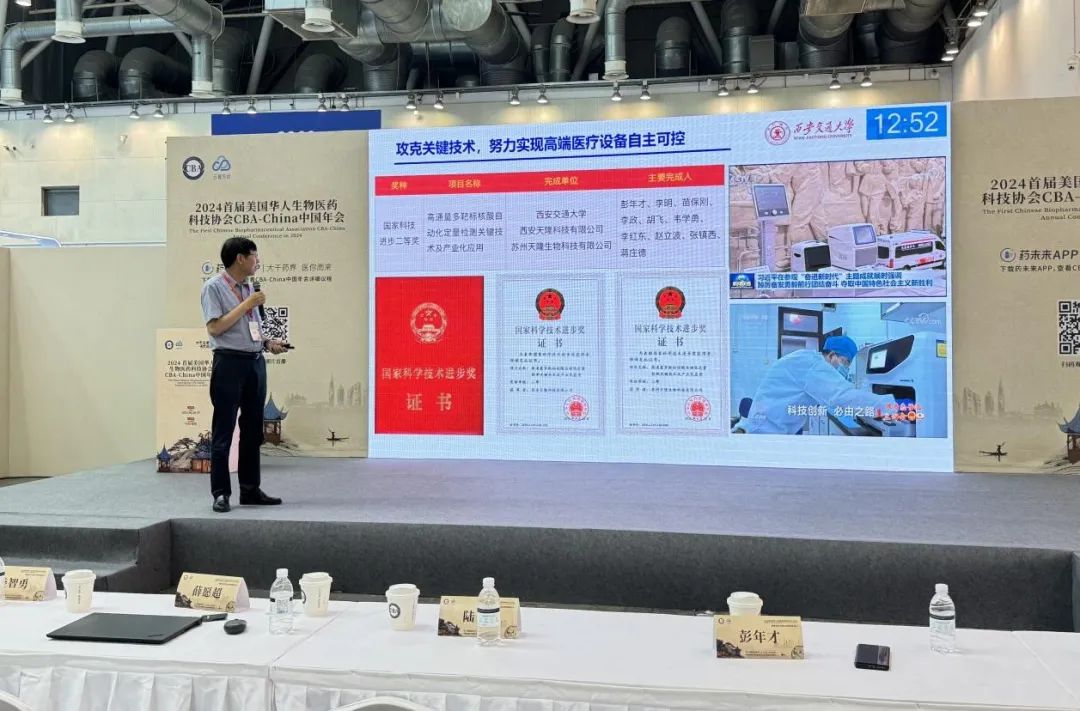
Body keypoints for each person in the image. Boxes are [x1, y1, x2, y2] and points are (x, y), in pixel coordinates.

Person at [201, 237, 288, 513]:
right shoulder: (214, 287)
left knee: (252, 431)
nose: (257, 261)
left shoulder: (250, 287)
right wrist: (247, 304)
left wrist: (268, 343)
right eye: (254, 256)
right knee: (224, 430)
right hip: (228, 363)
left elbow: (253, 328)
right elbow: (215, 328)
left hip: (255, 363)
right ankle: (220, 493)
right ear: (240, 258)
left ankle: (250, 490)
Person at [736, 335, 895, 435]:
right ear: (832, 355)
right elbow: (841, 396)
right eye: (845, 362)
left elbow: (834, 393)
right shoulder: (814, 365)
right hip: (766, 430)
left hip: (769, 426)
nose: (846, 368)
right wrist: (891, 405)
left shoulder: (808, 360)